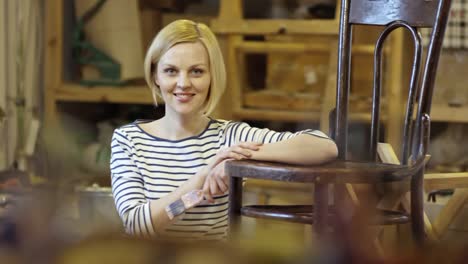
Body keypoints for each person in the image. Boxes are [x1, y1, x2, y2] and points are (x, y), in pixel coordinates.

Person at [110, 19, 338, 240]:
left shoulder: (229, 137)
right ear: (155, 76)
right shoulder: (128, 140)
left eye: (196, 71)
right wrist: (202, 176)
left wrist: (234, 161)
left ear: (212, 76)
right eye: (171, 71)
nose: (183, 83)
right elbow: (137, 226)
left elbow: (324, 147)